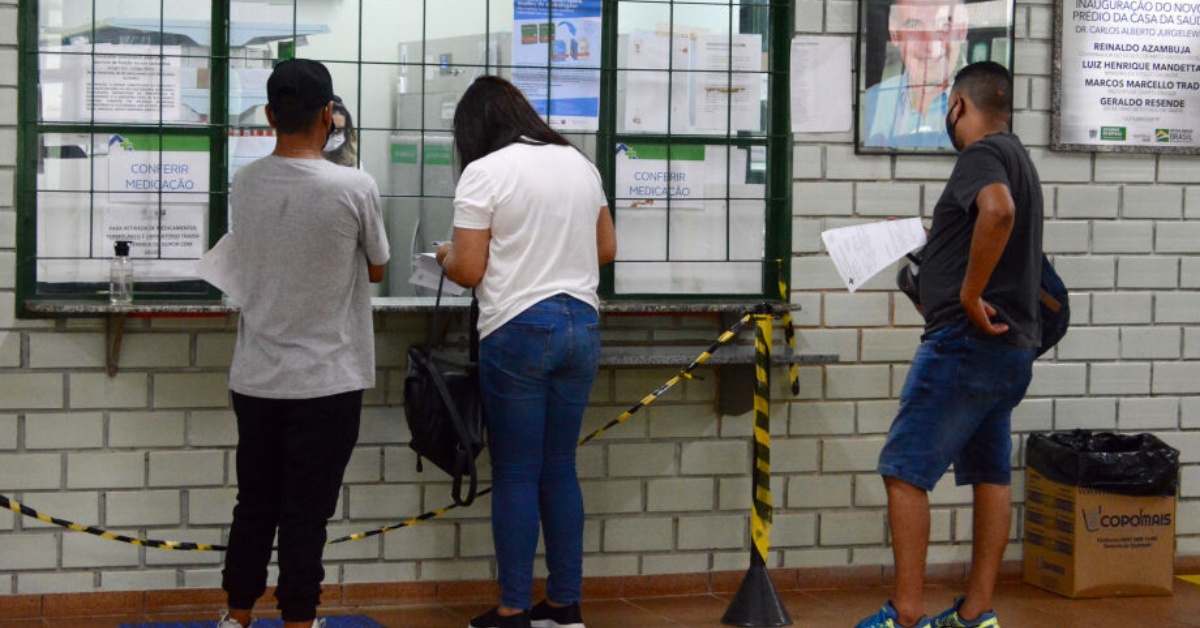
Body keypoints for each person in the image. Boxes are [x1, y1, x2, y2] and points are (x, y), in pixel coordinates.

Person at [856, 61, 1042, 628]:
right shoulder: (1020, 159)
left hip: (965, 342)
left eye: (946, 108)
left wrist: (966, 294)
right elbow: (998, 219)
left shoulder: (980, 155)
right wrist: (938, 244)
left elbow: (997, 211)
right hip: (1011, 347)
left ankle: (904, 613)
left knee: (905, 469)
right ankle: (976, 613)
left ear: (958, 106)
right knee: (990, 474)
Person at [214, 59, 390, 628]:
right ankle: (298, 621)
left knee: (255, 503)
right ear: (328, 115)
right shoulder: (355, 184)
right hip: (328, 378)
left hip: (258, 375)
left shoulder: (246, 181)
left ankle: (236, 615)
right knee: (306, 512)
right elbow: (378, 269)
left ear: (269, 115)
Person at [436, 75, 617, 628]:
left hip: (518, 329)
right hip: (581, 326)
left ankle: (513, 608)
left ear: (473, 129)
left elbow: (468, 270)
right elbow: (606, 249)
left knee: (515, 472)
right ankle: (564, 605)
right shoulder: (578, 163)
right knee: (559, 466)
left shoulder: (484, 173)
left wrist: (444, 255)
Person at [863, 0, 969, 149]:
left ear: (963, 30)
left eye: (945, 25)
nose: (931, 47)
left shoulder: (988, 105)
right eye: (913, 25)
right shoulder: (870, 104)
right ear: (894, 33)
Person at [322, 95, 358, 167]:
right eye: (328, 129)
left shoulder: (352, 164)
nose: (332, 135)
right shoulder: (299, 162)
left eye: (339, 130)